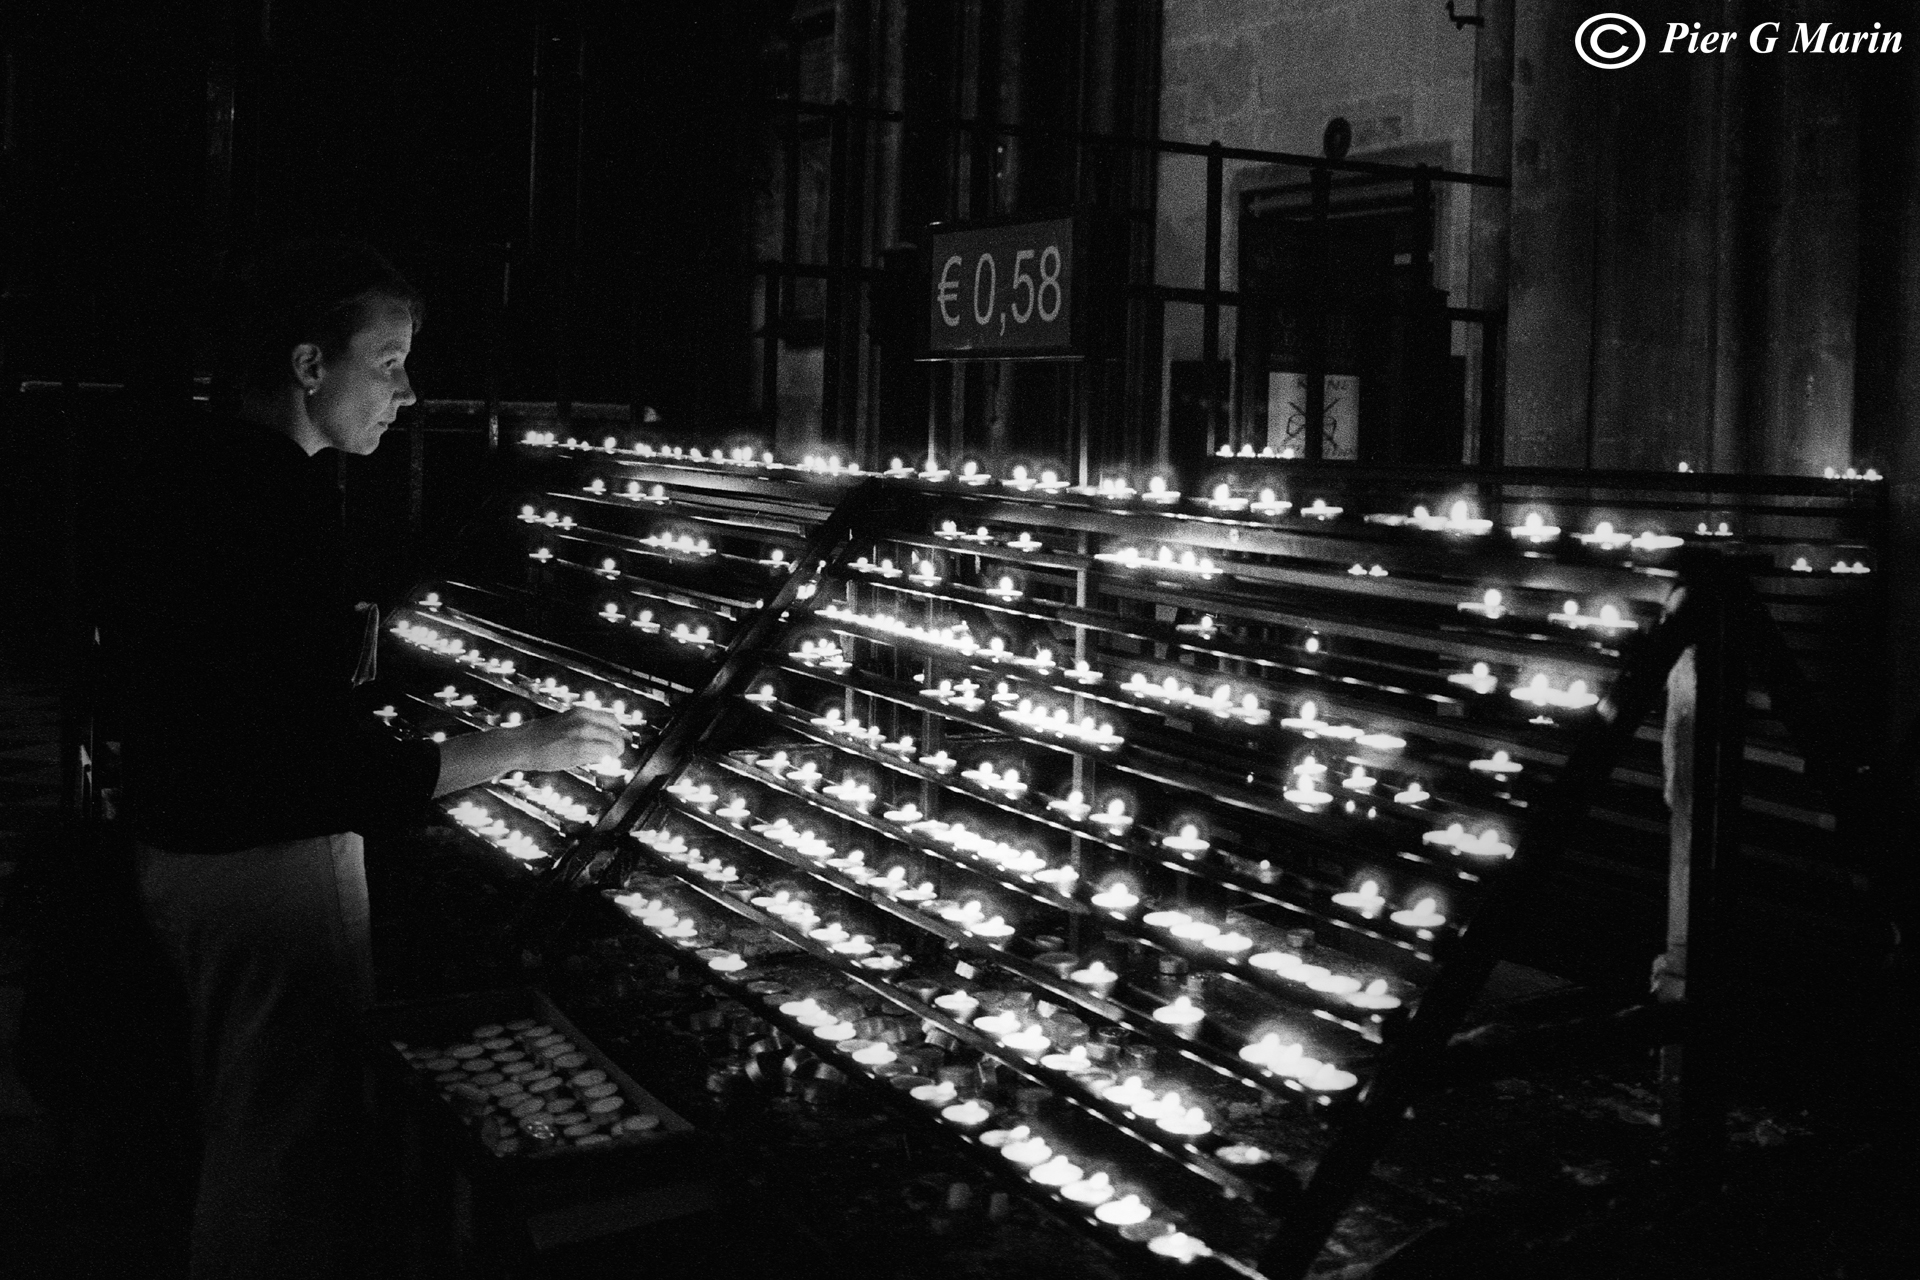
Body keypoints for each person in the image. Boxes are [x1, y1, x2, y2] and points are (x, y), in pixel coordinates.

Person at [105, 241, 624, 1278]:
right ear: (310, 365)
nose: (408, 391)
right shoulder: (280, 506)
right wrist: (527, 746)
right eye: (387, 361)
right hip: (268, 870)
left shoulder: (196, 472)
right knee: (285, 1147)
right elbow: (318, 767)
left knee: (239, 1116)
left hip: (179, 849)